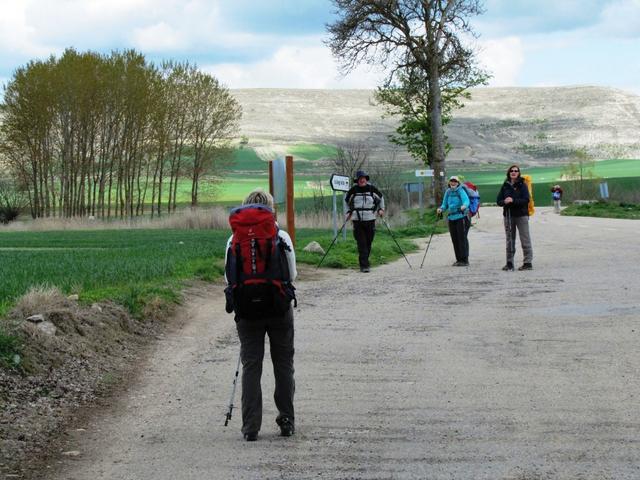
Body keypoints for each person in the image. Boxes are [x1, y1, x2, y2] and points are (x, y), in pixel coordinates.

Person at [224, 189, 297, 441]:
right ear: (271, 209)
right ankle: (286, 418)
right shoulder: (281, 235)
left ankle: (250, 427)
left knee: (251, 366)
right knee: (283, 365)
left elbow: (228, 277)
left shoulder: (234, 238)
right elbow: (292, 274)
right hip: (278, 308)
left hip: (247, 312)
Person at [344, 170, 385, 273]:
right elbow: (346, 201)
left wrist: (381, 209)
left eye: (364, 179)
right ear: (357, 181)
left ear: (366, 179)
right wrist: (348, 212)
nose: (362, 180)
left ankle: (365, 261)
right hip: (357, 220)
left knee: (368, 242)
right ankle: (364, 266)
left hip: (370, 219)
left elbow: (381, 198)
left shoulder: (372, 189)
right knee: (361, 243)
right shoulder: (353, 190)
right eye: (360, 179)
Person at [497, 165, 533, 271]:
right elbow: (498, 201)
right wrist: (504, 201)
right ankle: (509, 263)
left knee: (525, 239)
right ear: (508, 173)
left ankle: (527, 263)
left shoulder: (523, 185)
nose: (513, 172)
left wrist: (513, 200)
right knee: (510, 240)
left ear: (518, 173)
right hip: (508, 215)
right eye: (511, 171)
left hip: (521, 215)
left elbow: (526, 199)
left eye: (516, 171)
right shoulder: (505, 185)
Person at [437, 176, 470, 266]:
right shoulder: (448, 192)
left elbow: (466, 201)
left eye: (455, 181)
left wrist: (464, 206)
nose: (453, 183)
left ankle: (464, 260)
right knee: (455, 239)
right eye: (451, 181)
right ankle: (459, 259)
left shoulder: (461, 191)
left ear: (458, 183)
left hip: (462, 217)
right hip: (451, 218)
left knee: (462, 238)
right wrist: (441, 209)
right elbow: (444, 204)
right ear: (449, 182)